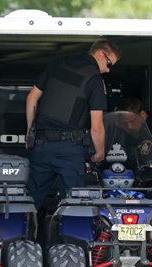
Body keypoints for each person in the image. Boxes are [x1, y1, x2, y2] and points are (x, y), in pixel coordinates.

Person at [26, 39, 121, 209]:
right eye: (109, 64)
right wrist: (99, 153)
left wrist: (30, 132)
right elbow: (97, 127)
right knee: (73, 205)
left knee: (30, 202)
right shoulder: (94, 79)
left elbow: (31, 97)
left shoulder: (57, 64)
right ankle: (69, 236)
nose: (108, 70)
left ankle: (19, 234)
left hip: (41, 145)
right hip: (70, 150)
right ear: (100, 54)